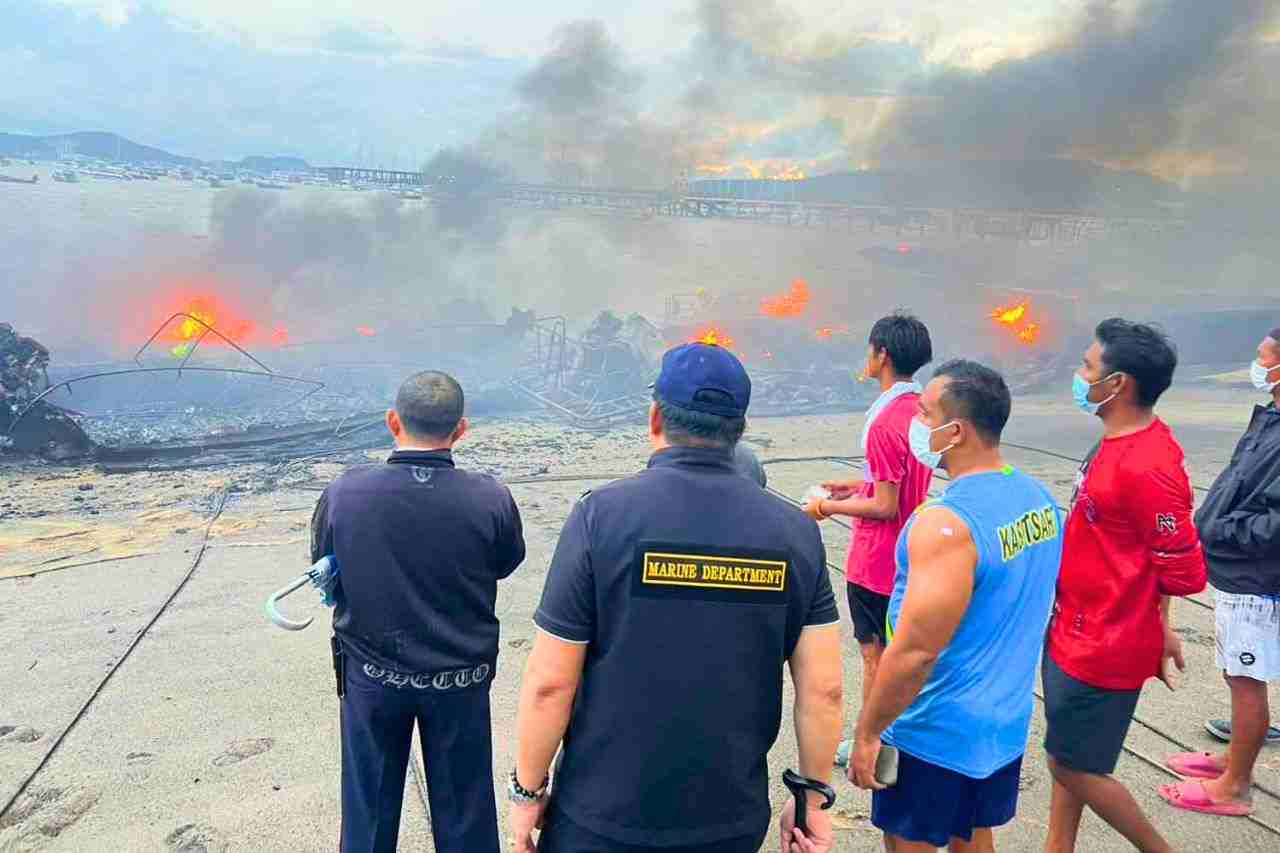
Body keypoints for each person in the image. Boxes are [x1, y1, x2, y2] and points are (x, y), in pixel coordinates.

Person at [508, 342, 844, 853]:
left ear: (654, 418)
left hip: (600, 818)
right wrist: (813, 801)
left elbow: (550, 684)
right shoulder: (794, 533)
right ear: (740, 429)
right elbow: (824, 692)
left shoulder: (600, 518)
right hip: (727, 821)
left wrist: (527, 791)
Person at [846, 359, 1062, 852]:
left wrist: (868, 731)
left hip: (934, 731)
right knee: (972, 834)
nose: (914, 425)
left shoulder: (946, 525)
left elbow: (916, 652)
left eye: (923, 414)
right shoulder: (1038, 500)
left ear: (955, 431)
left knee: (909, 843)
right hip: (1001, 724)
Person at [310, 371, 526, 853]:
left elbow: (322, 560)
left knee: (368, 814)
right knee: (466, 813)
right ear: (461, 429)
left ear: (392, 421)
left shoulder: (346, 493)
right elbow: (507, 563)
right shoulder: (490, 497)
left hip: (372, 677)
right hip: (461, 679)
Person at [1043, 319, 1206, 852]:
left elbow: (1182, 567)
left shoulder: (1149, 465)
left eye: (1088, 368)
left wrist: (1157, 622)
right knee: (1072, 754)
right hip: (1076, 625)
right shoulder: (1118, 439)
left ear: (1120, 385)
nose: (1079, 375)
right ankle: (1057, 845)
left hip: (1106, 641)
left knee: (1071, 764)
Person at [804, 312, 934, 765]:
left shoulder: (882, 423)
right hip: (912, 552)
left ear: (882, 355)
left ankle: (871, 741)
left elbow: (885, 506)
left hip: (878, 561)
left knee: (875, 656)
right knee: (904, 652)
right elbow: (893, 488)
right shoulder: (920, 412)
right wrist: (852, 486)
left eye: (870, 349)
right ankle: (899, 736)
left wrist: (827, 507)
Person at [1161, 329, 1280, 816]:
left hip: (1255, 577)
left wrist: (1227, 529)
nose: (1257, 362)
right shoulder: (1272, 417)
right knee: (1235, 673)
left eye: (1264, 356)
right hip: (1238, 572)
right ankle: (1235, 757)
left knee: (1246, 677)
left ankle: (1235, 787)